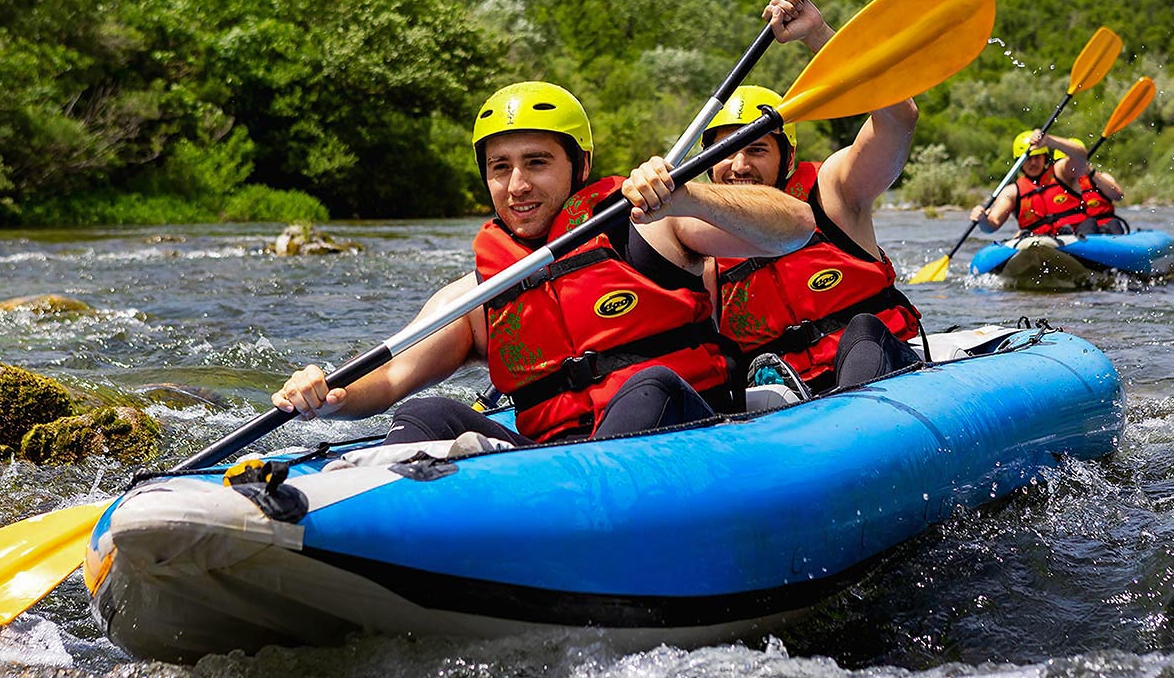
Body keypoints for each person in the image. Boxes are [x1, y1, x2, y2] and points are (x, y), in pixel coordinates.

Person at [271, 81, 815, 446]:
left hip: (687, 442)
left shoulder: (651, 226)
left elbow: (795, 228)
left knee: (648, 384)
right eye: (499, 167)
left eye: (537, 163)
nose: (517, 185)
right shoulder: (479, 294)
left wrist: (689, 197)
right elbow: (391, 378)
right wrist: (330, 397)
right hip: (552, 468)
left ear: (580, 165)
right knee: (430, 415)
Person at [701, 0, 925, 399]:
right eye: (725, 152)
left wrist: (818, 35)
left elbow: (898, 115)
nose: (739, 165)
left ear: (787, 158)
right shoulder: (703, 246)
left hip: (884, 377)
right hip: (788, 405)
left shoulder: (834, 192)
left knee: (862, 331)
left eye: (756, 149)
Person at [968, 129, 1093, 237]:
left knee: (1089, 224)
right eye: (1028, 158)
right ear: (1019, 162)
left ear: (1045, 157)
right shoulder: (1011, 192)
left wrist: (1049, 141)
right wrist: (983, 220)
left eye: (1037, 157)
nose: (1033, 163)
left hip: (1075, 236)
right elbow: (992, 225)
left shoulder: (1060, 172)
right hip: (1037, 242)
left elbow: (1080, 156)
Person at [1054, 141, 1128, 235]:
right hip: (1077, 228)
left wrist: (1090, 172)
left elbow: (1118, 196)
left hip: (1106, 224)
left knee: (1113, 224)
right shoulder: (1055, 185)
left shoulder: (1101, 177)